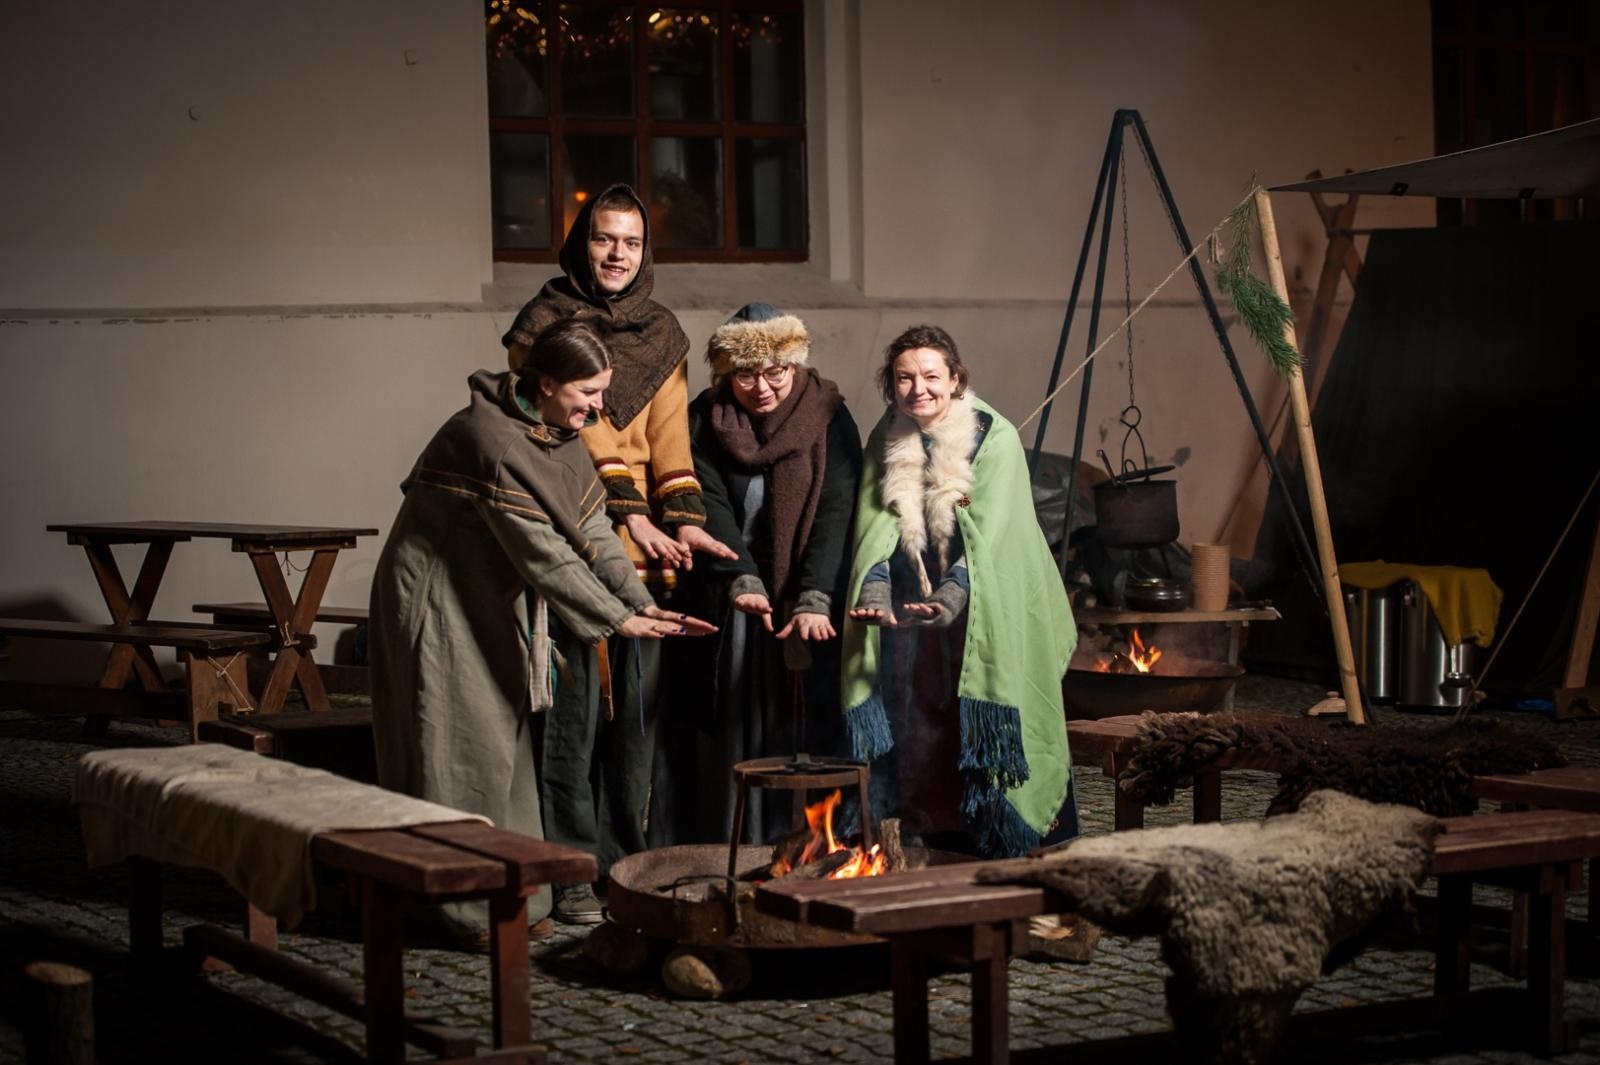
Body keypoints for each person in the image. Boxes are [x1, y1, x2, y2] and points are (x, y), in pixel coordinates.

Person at [368, 319, 714, 945]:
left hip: (488, 597)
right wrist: (617, 619)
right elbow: (545, 555)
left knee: (505, 747)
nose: (598, 407)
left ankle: (516, 894)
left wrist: (644, 602)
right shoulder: (487, 439)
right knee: (456, 743)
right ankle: (463, 908)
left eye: (603, 392)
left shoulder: (557, 434)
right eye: (589, 392)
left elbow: (594, 532)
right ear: (547, 382)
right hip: (436, 600)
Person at [501, 184, 734, 924]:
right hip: (571, 518)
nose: (616, 254)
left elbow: (669, 438)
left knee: (635, 719)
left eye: (631, 242)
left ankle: (622, 865)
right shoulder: (542, 324)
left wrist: (683, 516)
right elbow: (575, 428)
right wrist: (628, 515)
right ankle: (570, 868)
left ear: (646, 250)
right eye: (604, 238)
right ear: (581, 241)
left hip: (650, 545)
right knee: (573, 717)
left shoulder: (663, 332)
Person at [842, 324, 1078, 858]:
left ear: (955, 378)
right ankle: (932, 837)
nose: (917, 389)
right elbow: (873, 524)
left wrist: (955, 593)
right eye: (904, 378)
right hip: (912, 610)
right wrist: (876, 585)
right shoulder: (887, 436)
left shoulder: (994, 438)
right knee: (921, 720)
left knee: (976, 709)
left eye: (930, 376)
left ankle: (1003, 836)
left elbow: (995, 537)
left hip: (987, 600)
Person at [653, 304, 862, 845]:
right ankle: (725, 840)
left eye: (776, 371)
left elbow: (838, 507)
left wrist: (815, 595)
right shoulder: (705, 416)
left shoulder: (829, 416)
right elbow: (706, 501)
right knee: (724, 724)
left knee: (801, 724)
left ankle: (803, 841)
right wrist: (739, 577)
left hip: (803, 596)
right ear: (727, 373)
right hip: (729, 594)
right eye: (746, 373)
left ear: (794, 367)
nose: (762, 386)